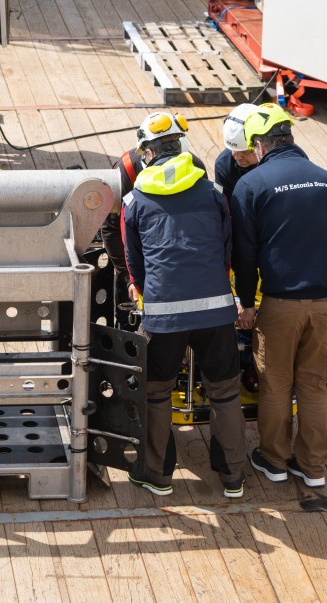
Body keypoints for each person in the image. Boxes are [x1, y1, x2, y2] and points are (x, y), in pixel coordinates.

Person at [122, 111, 249, 499]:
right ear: (181, 147)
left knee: (155, 393)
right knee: (225, 393)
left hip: (164, 316)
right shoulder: (213, 193)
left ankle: (158, 476)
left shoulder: (134, 200)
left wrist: (145, 291)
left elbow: (135, 264)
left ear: (147, 153)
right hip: (216, 311)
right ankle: (233, 478)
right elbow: (226, 249)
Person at [229, 103, 327, 489]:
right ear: (290, 138)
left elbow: (245, 254)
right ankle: (313, 468)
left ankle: (275, 461)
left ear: (258, 146)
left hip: (284, 300)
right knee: (315, 384)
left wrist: (246, 302)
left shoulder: (251, 185)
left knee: (277, 383)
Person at [99, 122, 208, 323]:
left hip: (180, 256)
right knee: (128, 320)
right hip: (136, 254)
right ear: (146, 156)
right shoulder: (126, 171)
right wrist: (128, 278)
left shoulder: (195, 168)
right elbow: (112, 229)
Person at [214, 103, 260, 203]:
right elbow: (224, 204)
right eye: (234, 150)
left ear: (260, 145)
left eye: (244, 151)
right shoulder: (223, 166)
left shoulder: (279, 159)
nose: (238, 157)